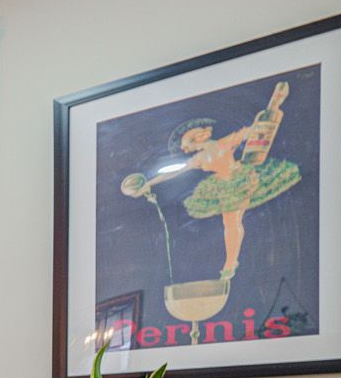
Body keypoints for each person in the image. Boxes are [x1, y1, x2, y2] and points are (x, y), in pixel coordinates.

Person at [124, 80, 301, 281]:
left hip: (239, 178)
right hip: (223, 186)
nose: (189, 145)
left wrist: (273, 108)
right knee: (231, 222)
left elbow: (251, 131)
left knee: (233, 221)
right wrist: (148, 184)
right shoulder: (198, 159)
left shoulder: (223, 144)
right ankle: (231, 262)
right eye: (188, 143)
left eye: (190, 139)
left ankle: (230, 263)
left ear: (202, 135)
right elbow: (173, 173)